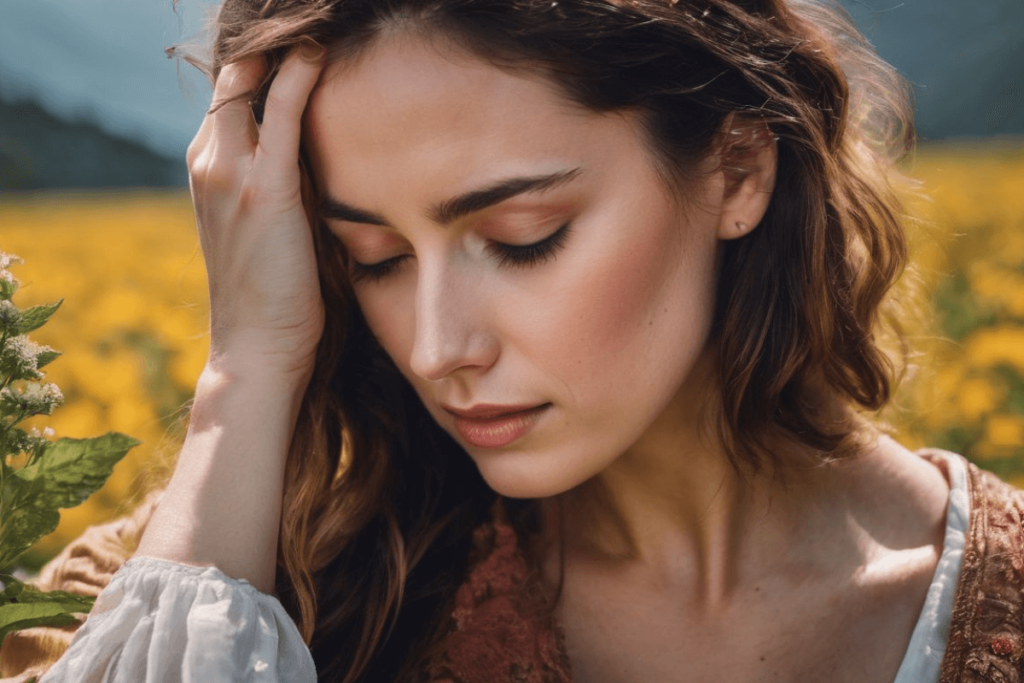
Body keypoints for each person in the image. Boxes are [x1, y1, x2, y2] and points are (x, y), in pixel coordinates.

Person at [3, 0, 1023, 681]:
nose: (438, 346)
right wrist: (249, 367)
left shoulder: (987, 610)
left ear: (737, 171)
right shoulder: (235, 580)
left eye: (519, 239)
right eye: (373, 256)